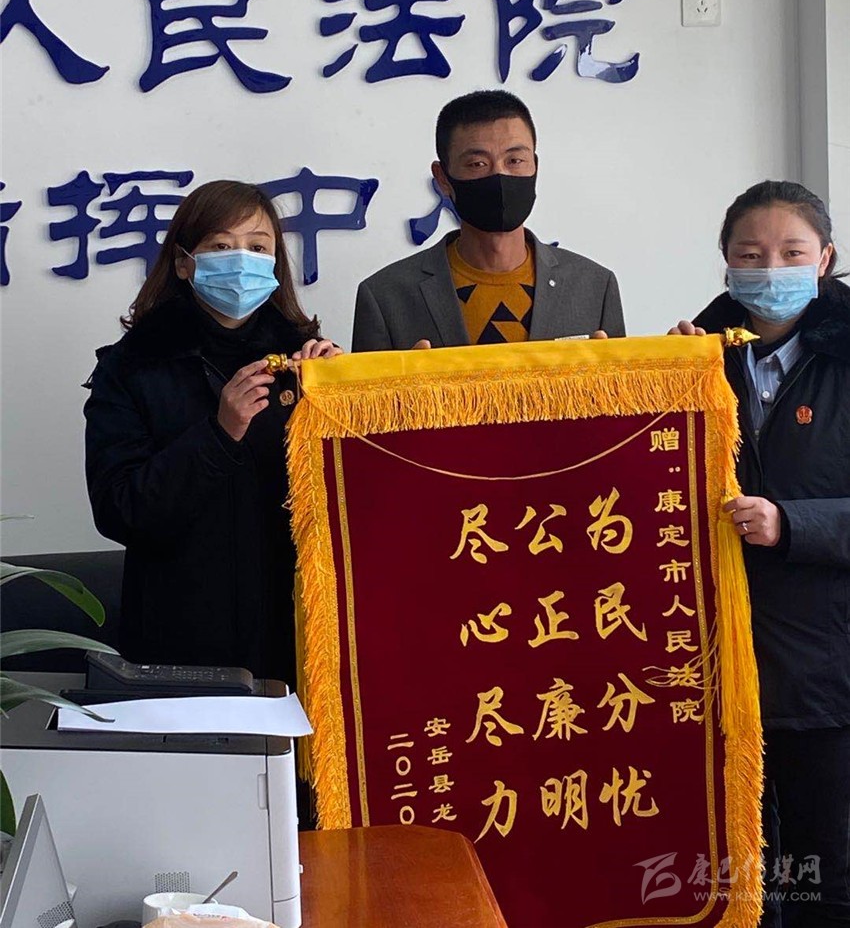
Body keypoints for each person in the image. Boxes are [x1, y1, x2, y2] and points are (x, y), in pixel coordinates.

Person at [672, 180, 850, 925]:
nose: (770, 269)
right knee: (736, 874)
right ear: (725, 260)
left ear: (825, 259)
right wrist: (653, 382)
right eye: (750, 254)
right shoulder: (695, 356)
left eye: (791, 252)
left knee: (826, 877)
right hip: (717, 667)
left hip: (827, 671)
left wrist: (793, 524)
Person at [84, 180, 341, 689]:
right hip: (179, 637)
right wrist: (220, 435)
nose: (241, 261)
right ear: (184, 262)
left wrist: (344, 400)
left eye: (258, 247)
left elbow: (348, 502)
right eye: (221, 246)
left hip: (298, 632)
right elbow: (118, 509)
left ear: (276, 263)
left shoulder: (303, 361)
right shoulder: (131, 367)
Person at [352, 90, 624, 351]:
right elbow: (362, 385)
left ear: (535, 166)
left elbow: (627, 383)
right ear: (442, 178)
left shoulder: (595, 286)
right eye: (477, 164)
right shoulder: (385, 297)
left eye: (515, 160)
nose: (499, 175)